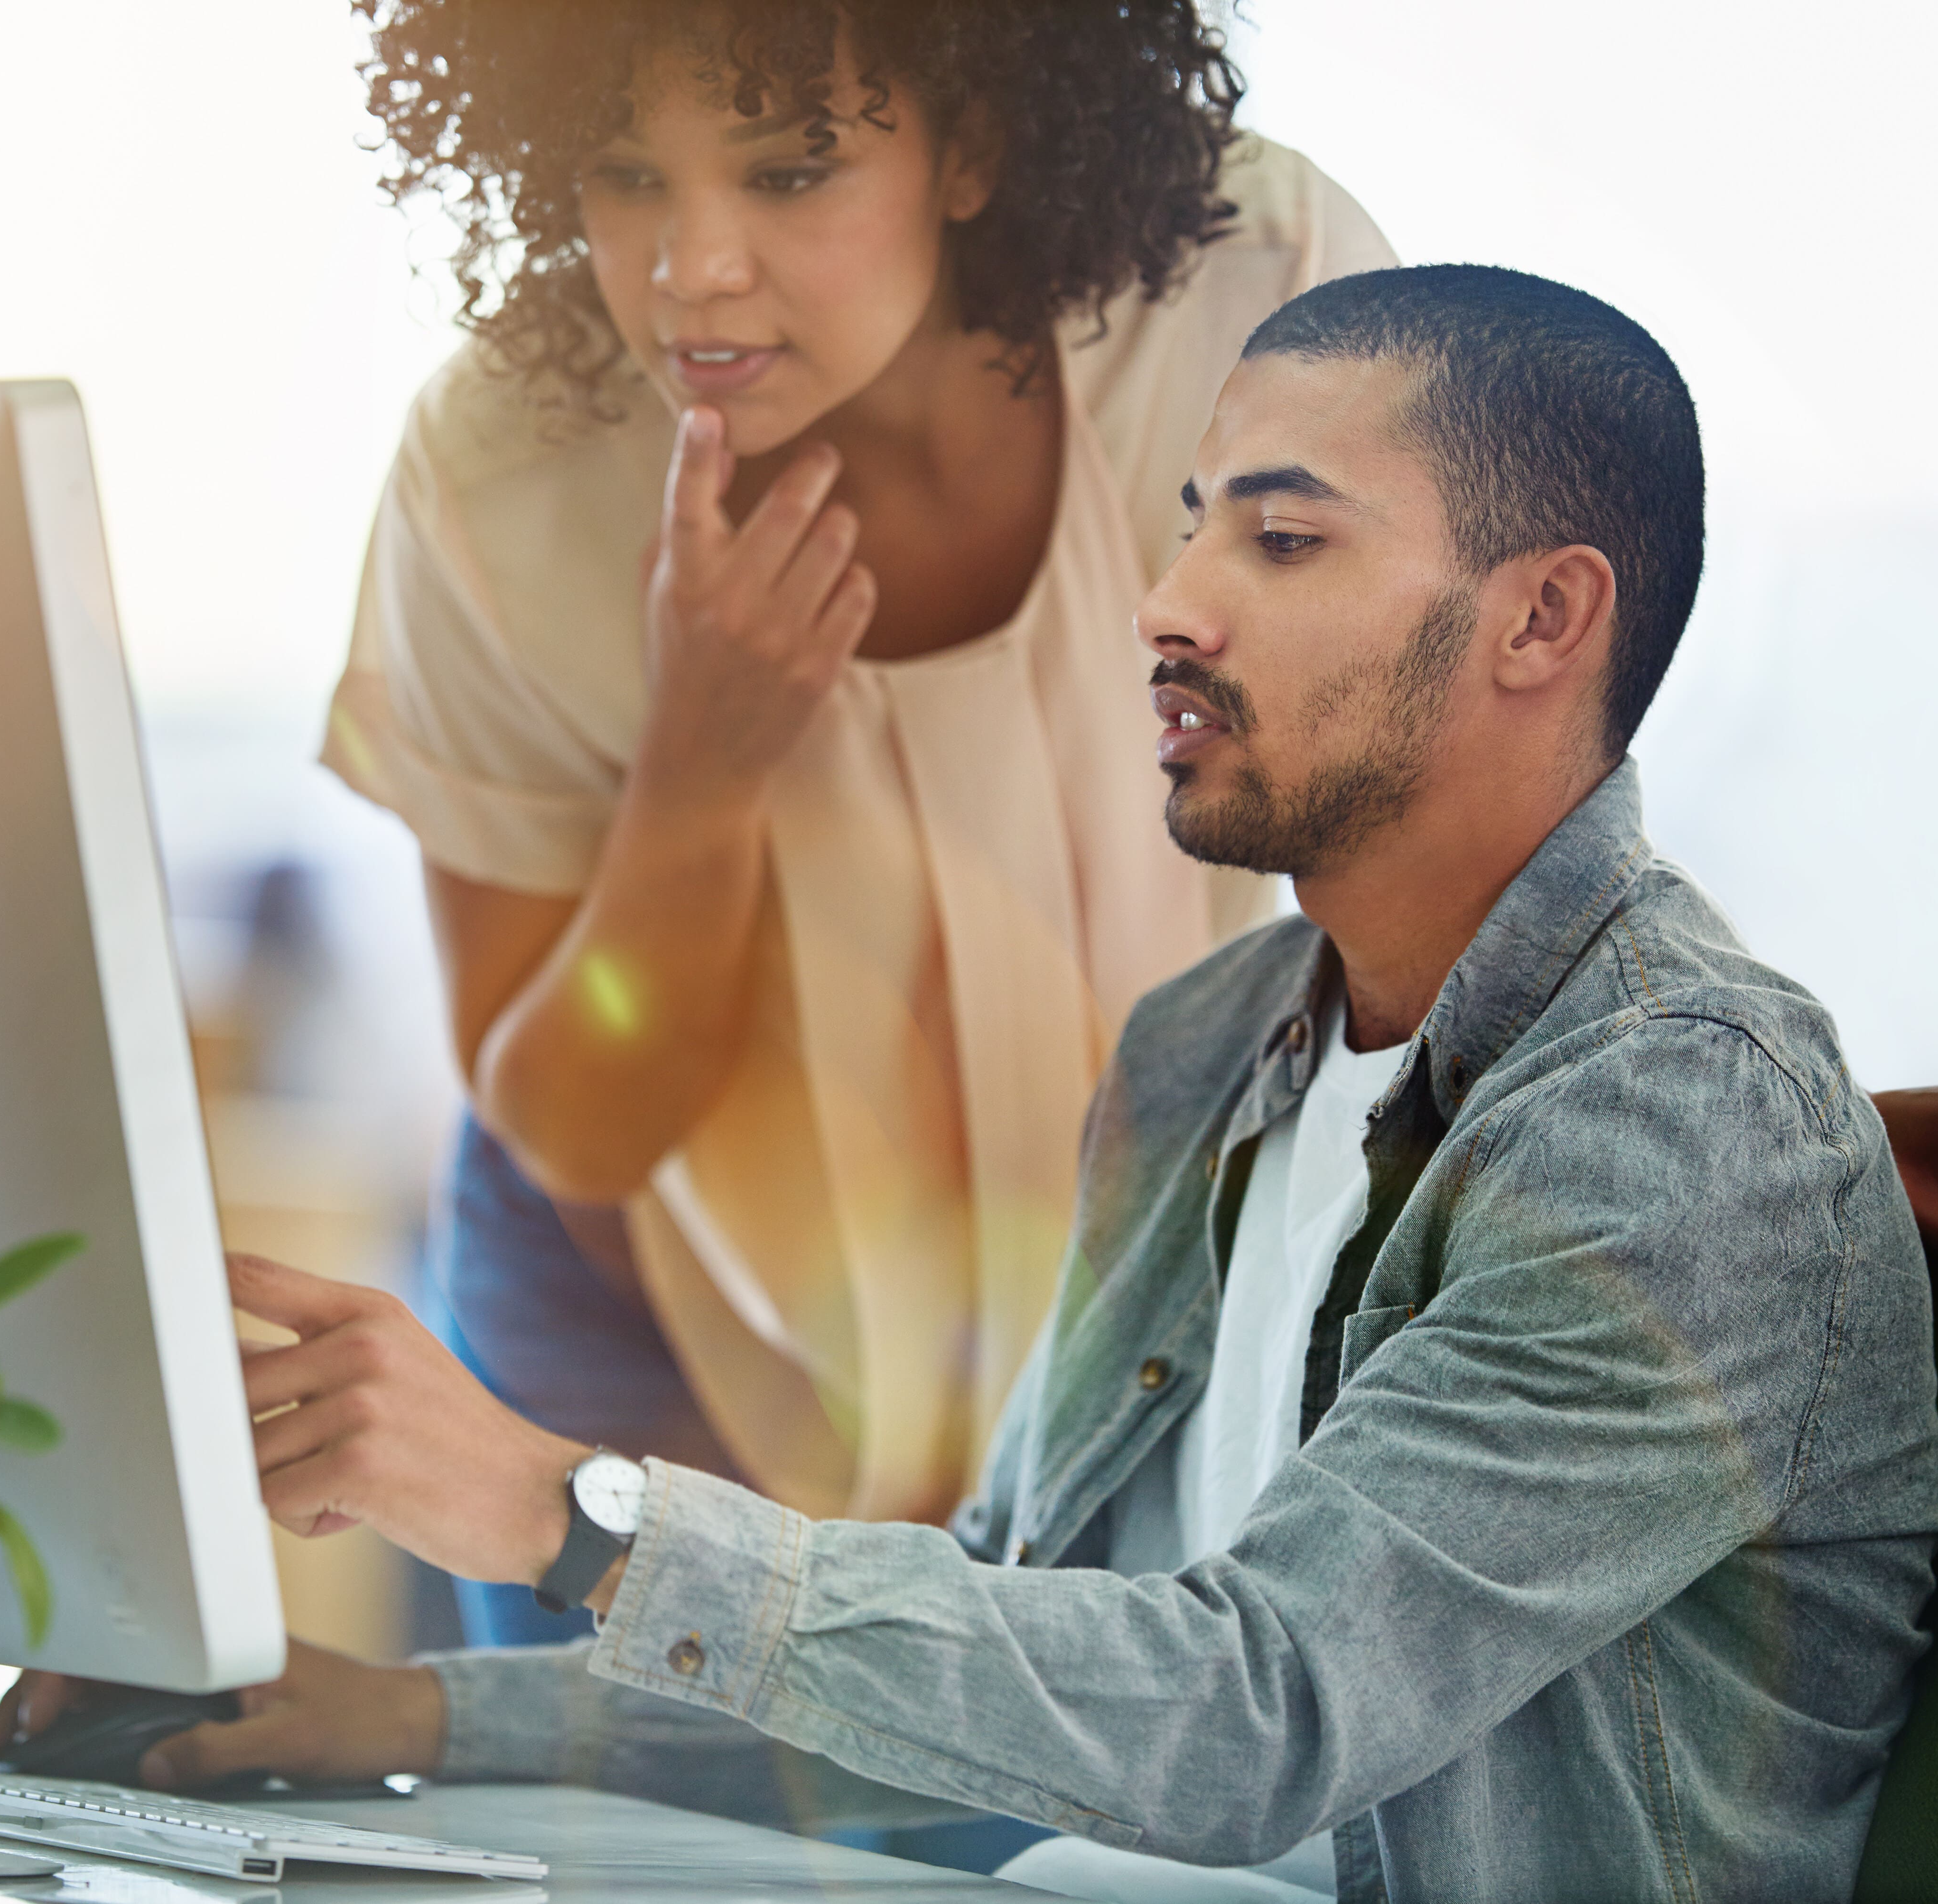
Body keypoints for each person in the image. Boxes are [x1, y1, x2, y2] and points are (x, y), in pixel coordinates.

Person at [0, 266, 1938, 1900]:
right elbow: (1020, 1632)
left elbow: (1254, 1708)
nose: (1171, 598)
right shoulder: (1210, 1053)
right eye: (1190, 515)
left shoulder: (1680, 1121)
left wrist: (566, 1511)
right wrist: (424, 1716)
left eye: (1280, 534)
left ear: (1544, 617)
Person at [323, 1, 1399, 1646]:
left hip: (1106, 1282)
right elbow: (581, 1131)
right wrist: (698, 766)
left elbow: (1448, 823)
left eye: (789, 170)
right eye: (624, 174)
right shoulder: (503, 481)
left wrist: (1676, 1135)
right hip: (652, 1318)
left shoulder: (1256, 304)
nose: (689, 271)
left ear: (970, 140)